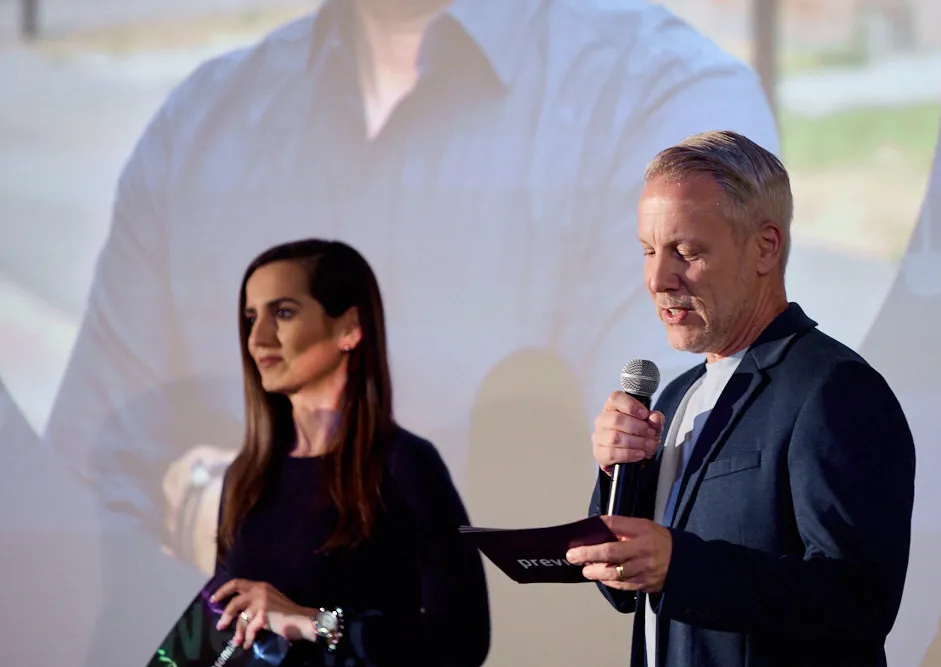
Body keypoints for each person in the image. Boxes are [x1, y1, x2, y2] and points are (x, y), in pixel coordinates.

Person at [42, 0, 780, 575]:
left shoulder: (668, 103)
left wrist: (229, 511)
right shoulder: (197, 131)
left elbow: (606, 521)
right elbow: (75, 516)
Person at [566, 130, 916, 666]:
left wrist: (679, 565)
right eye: (648, 251)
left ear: (765, 247)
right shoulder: (678, 395)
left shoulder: (833, 389)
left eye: (686, 251)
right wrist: (617, 475)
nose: (659, 278)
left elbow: (858, 600)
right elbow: (624, 592)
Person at [207, 238, 489, 666]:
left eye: (283, 313)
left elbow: (462, 640)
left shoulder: (405, 464)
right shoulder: (246, 476)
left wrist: (312, 622)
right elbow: (226, 632)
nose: (257, 338)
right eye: (250, 318)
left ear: (349, 328)